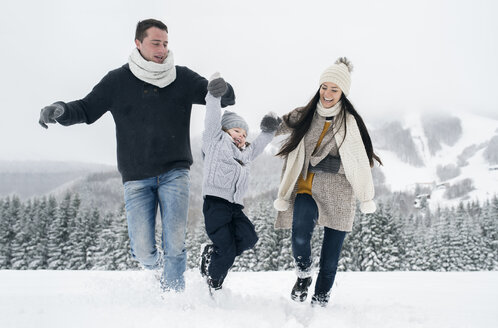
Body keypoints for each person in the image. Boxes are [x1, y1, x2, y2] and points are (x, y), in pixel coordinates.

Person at [37, 19, 236, 292]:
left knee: (175, 242)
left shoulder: (182, 77)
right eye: (156, 43)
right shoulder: (117, 81)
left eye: (166, 43)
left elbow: (222, 98)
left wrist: (222, 89)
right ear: (138, 43)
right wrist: (60, 110)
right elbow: (86, 108)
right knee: (142, 249)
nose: (162, 49)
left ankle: (174, 300)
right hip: (136, 177)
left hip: (175, 172)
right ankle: (157, 272)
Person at [273, 57, 382, 307]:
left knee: (330, 260)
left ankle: (320, 304)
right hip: (305, 188)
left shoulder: (350, 124)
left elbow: (362, 162)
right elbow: (278, 126)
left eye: (334, 89)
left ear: (343, 92)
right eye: (324, 87)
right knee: (299, 237)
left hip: (339, 196)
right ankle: (303, 276)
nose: (328, 93)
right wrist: (261, 127)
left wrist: (337, 166)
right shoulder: (305, 114)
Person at [199, 73, 281, 293]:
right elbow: (213, 118)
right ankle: (213, 285)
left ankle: (211, 255)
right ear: (225, 131)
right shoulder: (215, 141)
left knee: (248, 238)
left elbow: (259, 145)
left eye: (244, 133)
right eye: (236, 131)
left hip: (235, 207)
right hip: (215, 205)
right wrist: (214, 96)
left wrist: (269, 130)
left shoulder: (245, 153)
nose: (241, 136)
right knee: (226, 250)